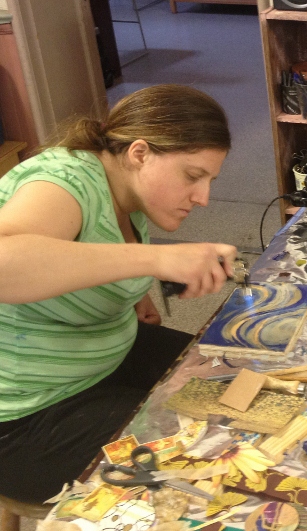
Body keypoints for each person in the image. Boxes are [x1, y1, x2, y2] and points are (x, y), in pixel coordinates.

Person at [0, 84, 238, 503]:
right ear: (140, 153)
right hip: (22, 419)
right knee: (207, 459)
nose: (203, 198)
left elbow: (85, 252)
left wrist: (129, 295)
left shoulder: (123, 187)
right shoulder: (64, 180)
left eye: (209, 181)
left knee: (230, 382)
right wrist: (155, 260)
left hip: (96, 363)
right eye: (192, 176)